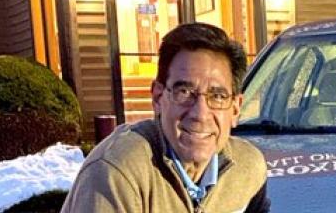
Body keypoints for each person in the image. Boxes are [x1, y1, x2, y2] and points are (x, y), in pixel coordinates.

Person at [62, 23, 270, 212]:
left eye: (217, 96)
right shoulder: (116, 173)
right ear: (158, 97)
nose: (200, 114)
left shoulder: (248, 169)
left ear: (235, 108)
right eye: (185, 92)